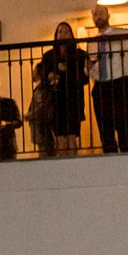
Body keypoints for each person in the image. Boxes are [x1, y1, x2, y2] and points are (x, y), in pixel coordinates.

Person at [89, 4, 128, 155]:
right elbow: (90, 64)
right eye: (95, 14)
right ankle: (111, 161)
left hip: (119, 83)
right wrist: (89, 69)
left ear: (108, 15)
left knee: (121, 124)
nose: (98, 17)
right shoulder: (92, 41)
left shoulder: (124, 34)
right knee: (104, 129)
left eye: (101, 13)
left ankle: (126, 158)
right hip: (100, 86)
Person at [34, 21, 92, 156]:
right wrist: (52, 75)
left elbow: (84, 79)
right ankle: (63, 161)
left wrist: (68, 70)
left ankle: (73, 159)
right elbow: (43, 77)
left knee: (72, 135)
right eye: (60, 31)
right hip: (56, 100)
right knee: (59, 136)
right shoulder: (49, 56)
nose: (62, 34)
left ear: (71, 35)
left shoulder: (79, 54)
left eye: (66, 31)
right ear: (56, 35)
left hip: (73, 98)